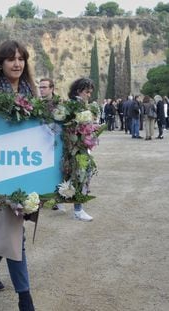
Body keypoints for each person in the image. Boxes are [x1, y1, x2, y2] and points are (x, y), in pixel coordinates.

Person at [0, 40, 37, 311]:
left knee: (13, 234)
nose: (17, 63)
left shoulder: (32, 93)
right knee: (15, 237)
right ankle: (25, 299)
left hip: (26, 171)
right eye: (11, 59)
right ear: (0, 64)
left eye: (21, 58)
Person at [67, 78, 96, 222]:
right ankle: (78, 210)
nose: (89, 95)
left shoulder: (79, 105)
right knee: (82, 176)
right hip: (76, 148)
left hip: (79, 146)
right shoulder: (74, 105)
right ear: (79, 91)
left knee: (81, 175)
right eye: (87, 92)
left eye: (90, 92)